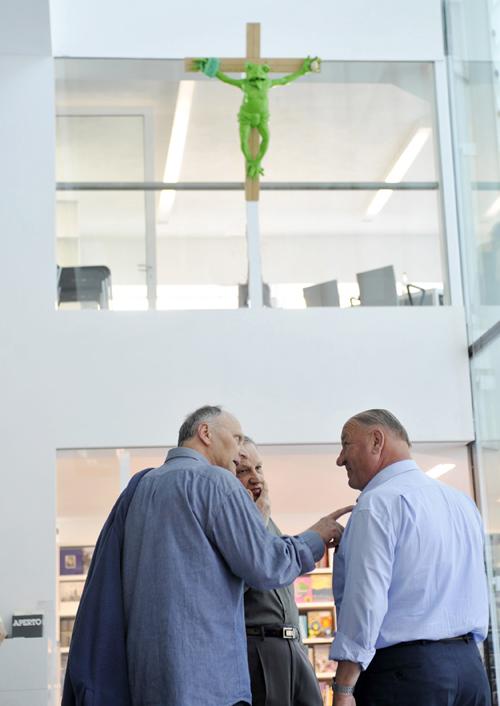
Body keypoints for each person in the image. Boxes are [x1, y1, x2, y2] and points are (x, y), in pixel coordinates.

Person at [122, 405, 350, 706]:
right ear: (205, 433)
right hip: (208, 671)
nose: (238, 450)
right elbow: (266, 565)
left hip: (151, 670)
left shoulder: (141, 487)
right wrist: (316, 537)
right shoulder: (215, 482)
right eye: (236, 437)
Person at [330, 409, 491, 706]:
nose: (340, 458)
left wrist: (343, 687)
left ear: (377, 440)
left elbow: (365, 600)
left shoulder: (377, 504)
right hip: (470, 669)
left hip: (405, 674)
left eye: (345, 444)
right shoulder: (462, 503)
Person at [235, 437, 324, 706]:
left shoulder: (264, 516)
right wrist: (258, 522)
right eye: (243, 471)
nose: (254, 478)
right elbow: (248, 577)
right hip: (260, 648)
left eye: (258, 468)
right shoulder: (237, 522)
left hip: (294, 645)